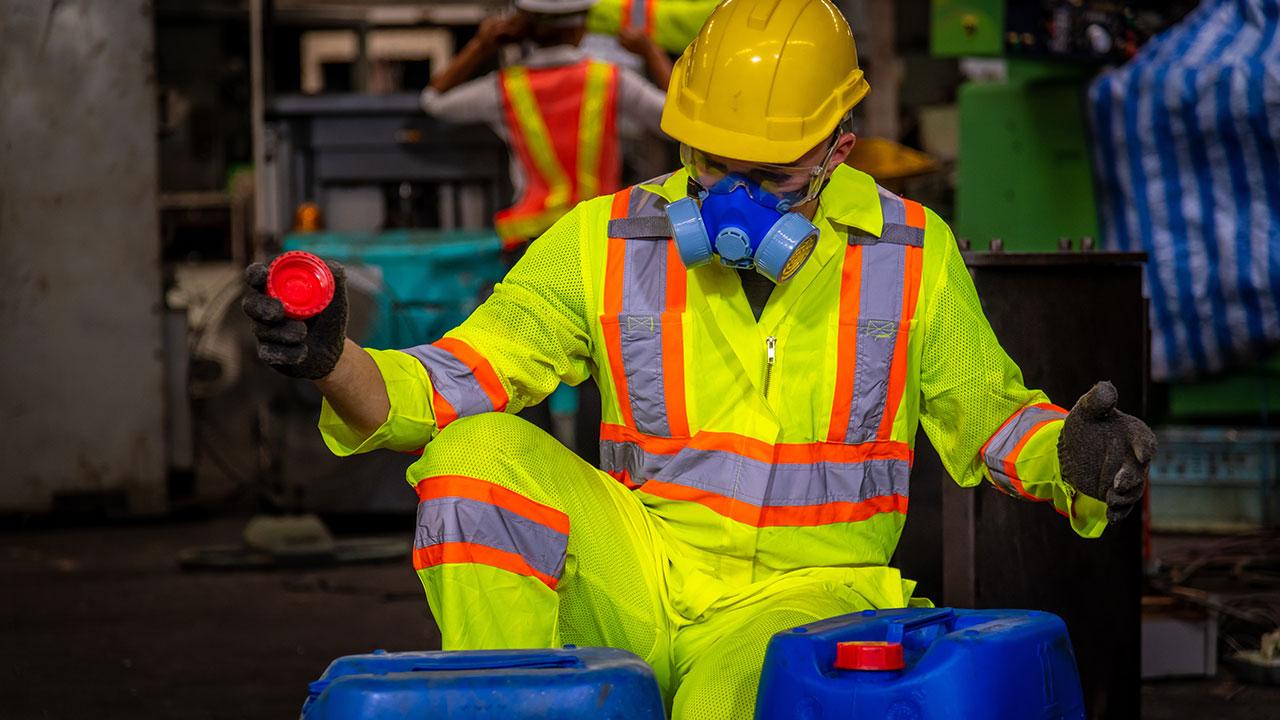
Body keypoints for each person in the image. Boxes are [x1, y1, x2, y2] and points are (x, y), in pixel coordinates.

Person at [243, 0, 1156, 716]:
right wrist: (334, 358)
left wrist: (1069, 457)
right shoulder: (606, 240)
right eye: (711, 166)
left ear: (839, 148)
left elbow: (989, 417)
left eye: (769, 178)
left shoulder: (909, 252)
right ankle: (506, 700)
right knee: (474, 460)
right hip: (641, 570)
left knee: (723, 707)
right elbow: (450, 382)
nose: (731, 202)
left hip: (806, 595)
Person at [422, 0, 672, 249]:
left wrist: (481, 45)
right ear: (580, 28)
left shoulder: (505, 88)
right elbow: (675, 119)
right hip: (595, 232)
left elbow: (434, 101)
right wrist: (651, 51)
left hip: (531, 238)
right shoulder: (610, 79)